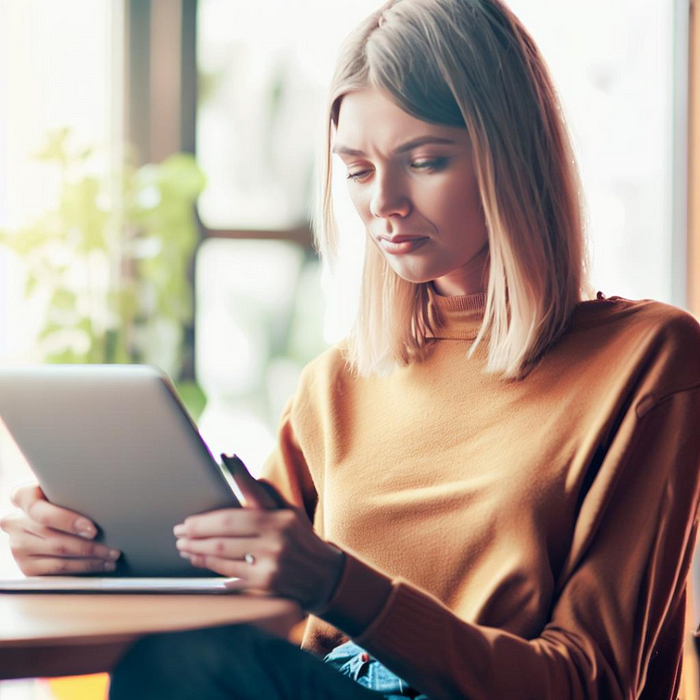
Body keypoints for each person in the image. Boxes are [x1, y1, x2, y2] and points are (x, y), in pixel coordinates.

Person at [2, 0, 700, 697]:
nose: (384, 203)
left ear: (512, 155)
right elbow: (240, 598)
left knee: (187, 667)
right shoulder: (336, 382)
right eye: (357, 169)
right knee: (178, 658)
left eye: (424, 160)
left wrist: (340, 584)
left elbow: (594, 683)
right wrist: (97, 555)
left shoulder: (646, 361)